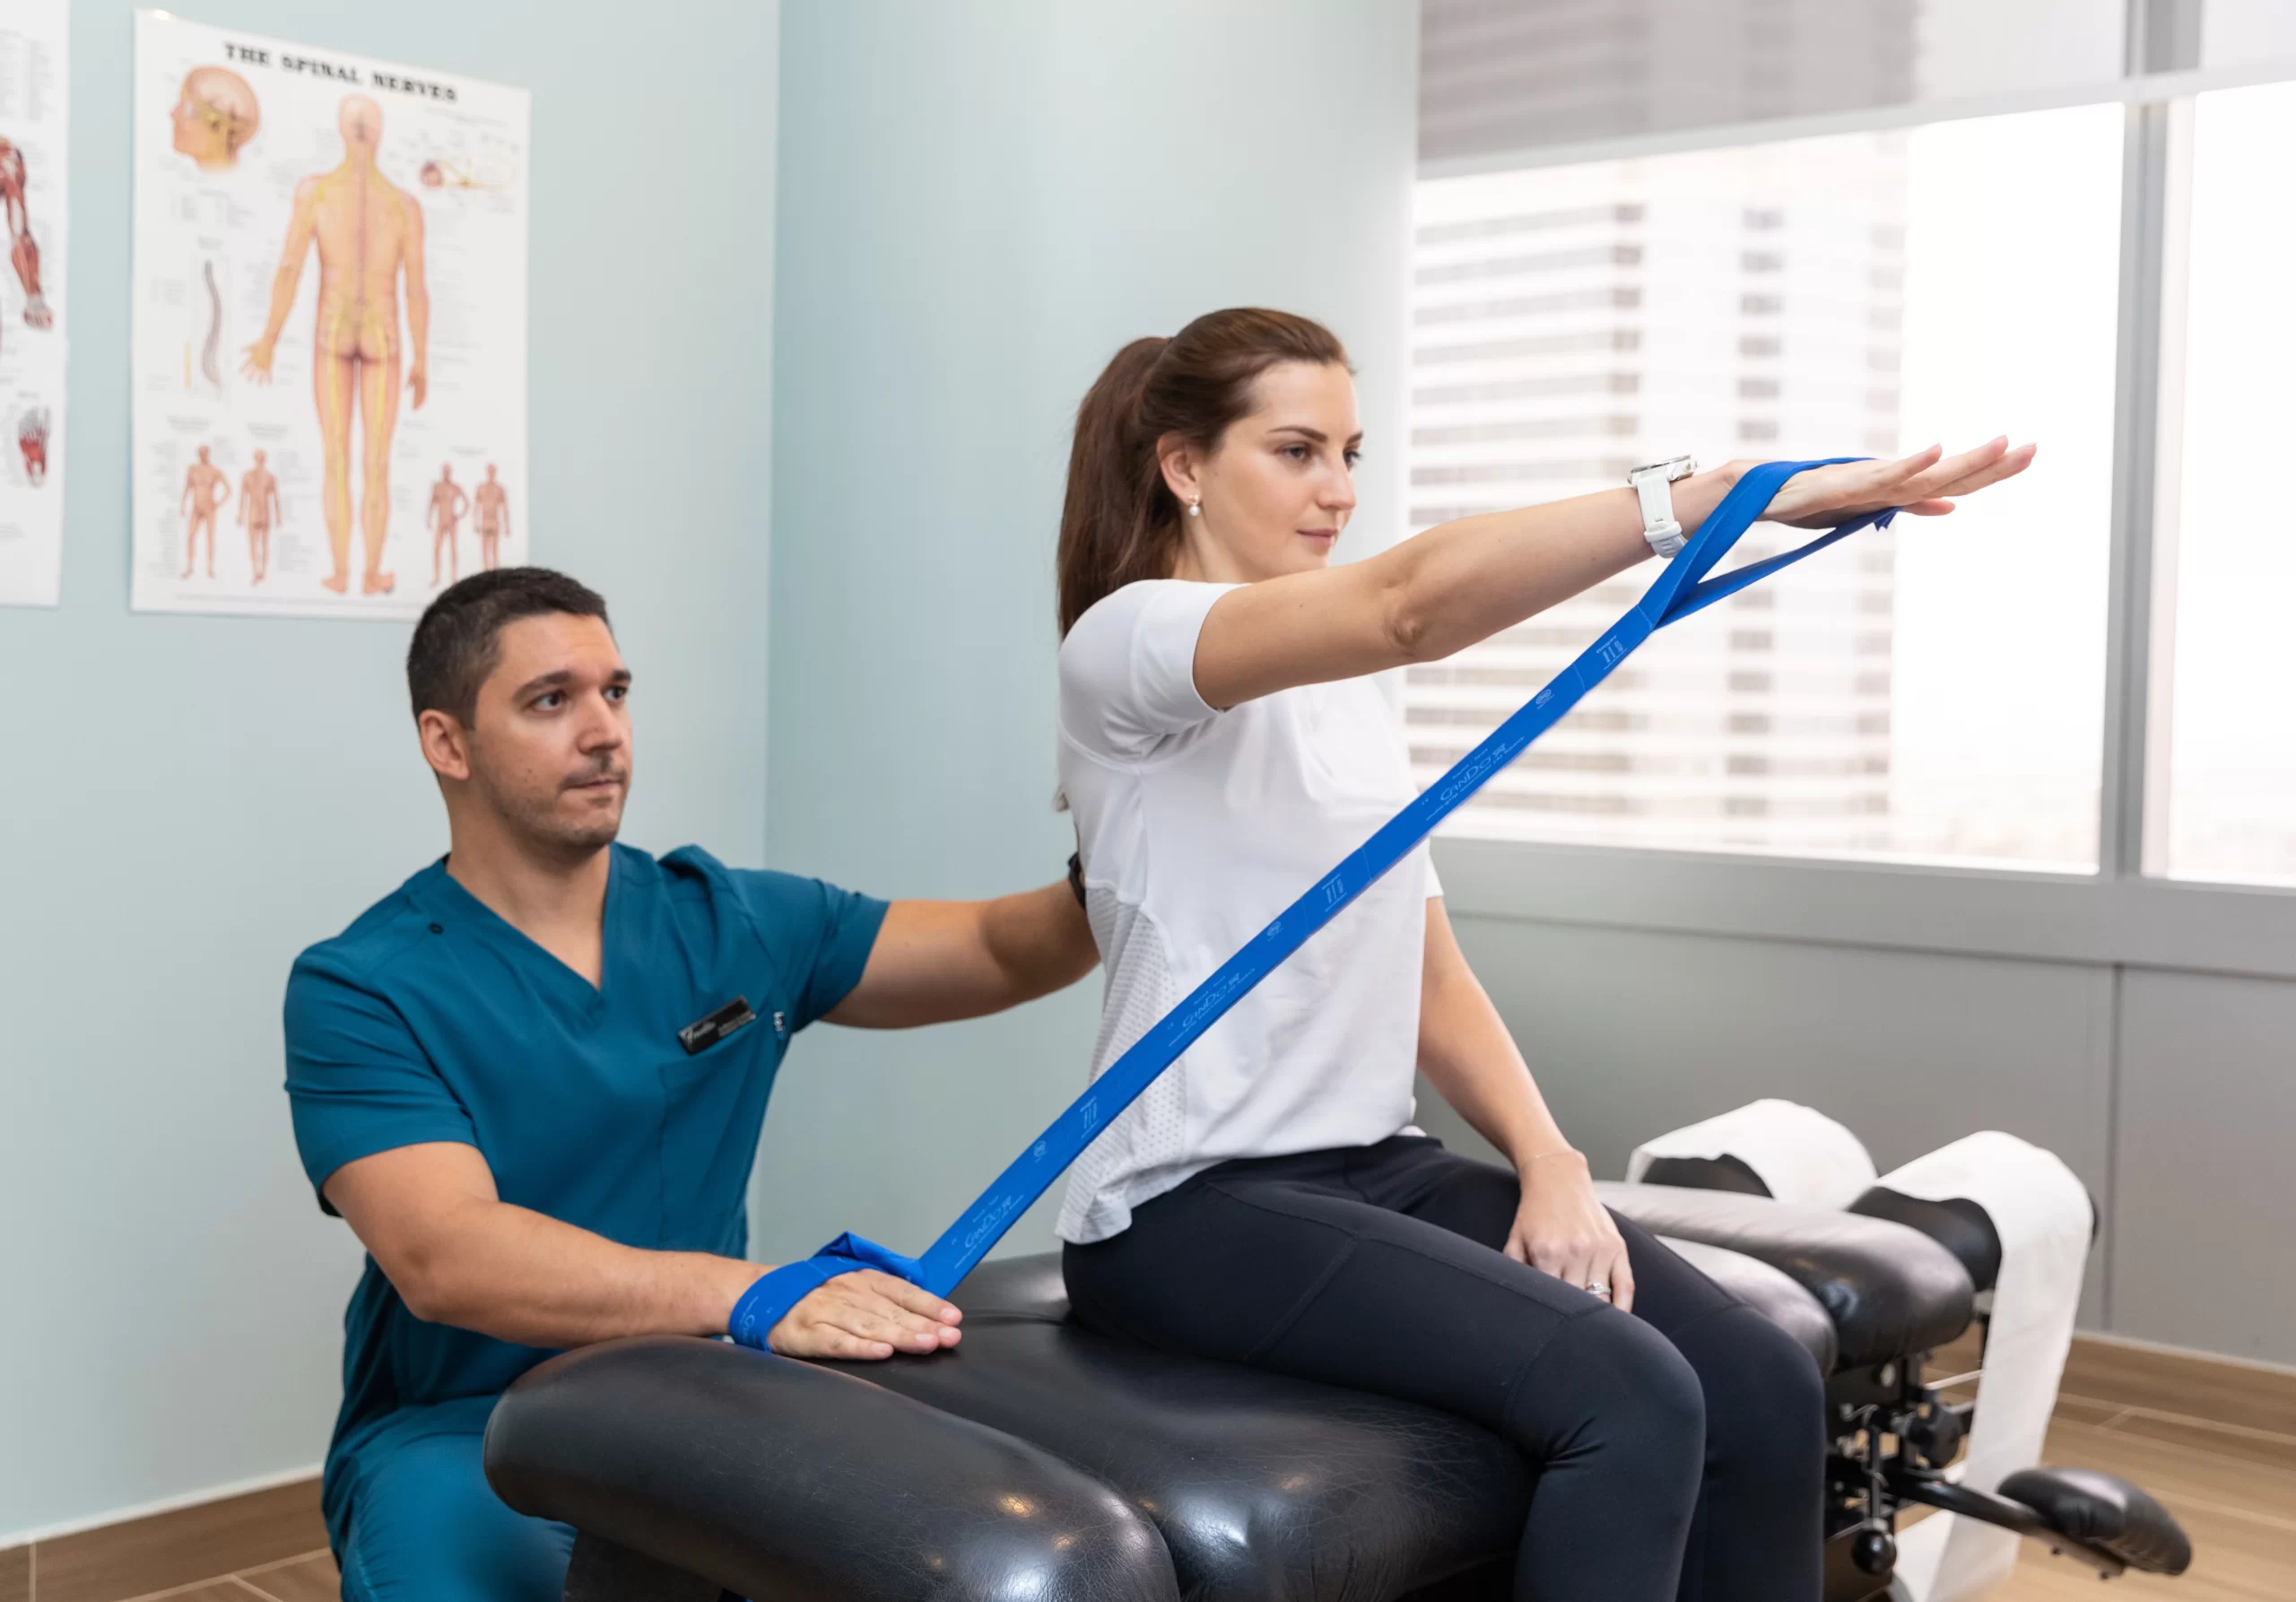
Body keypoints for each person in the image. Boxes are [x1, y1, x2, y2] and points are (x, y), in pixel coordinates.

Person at [1049, 309, 2032, 1602]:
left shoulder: (1345, 702)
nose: (1338, 488)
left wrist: (1550, 1159)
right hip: (1186, 1204)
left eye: (1350, 449)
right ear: (1183, 465)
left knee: (1758, 1378)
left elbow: (1427, 968)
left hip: (1366, 1167)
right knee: (1627, 1394)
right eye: (1295, 451)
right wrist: (1721, 492)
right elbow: (1407, 604)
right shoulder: (1132, 642)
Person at [285, 567, 1099, 1602]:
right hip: (461, 1428)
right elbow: (449, 1257)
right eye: (551, 700)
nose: (603, 731)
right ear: (448, 742)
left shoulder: (731, 922)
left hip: (699, 1392)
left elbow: (995, 945)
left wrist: (1120, 849)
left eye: (614, 693)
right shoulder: (362, 984)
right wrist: (753, 1292)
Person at [244, 95, 427, 597]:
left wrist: (269, 340)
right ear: (379, 133)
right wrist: (423, 357)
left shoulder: (318, 193)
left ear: (342, 132)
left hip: (333, 332)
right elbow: (415, 289)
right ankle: (367, 574)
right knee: (374, 461)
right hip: (383, 338)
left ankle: (345, 572)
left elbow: (290, 268)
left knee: (337, 458)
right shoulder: (402, 206)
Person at [179, 445, 230, 579]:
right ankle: (190, 567)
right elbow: (187, 487)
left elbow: (228, 489)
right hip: (196, 507)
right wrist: (183, 504)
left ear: (208, 454)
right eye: (201, 453)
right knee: (190, 536)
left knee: (210, 538)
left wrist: (218, 503)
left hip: (209, 508)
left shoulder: (214, 471)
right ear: (198, 454)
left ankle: (210, 568)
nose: (203, 455)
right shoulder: (193, 469)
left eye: (205, 453)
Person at [239, 448, 282, 585]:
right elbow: (243, 497)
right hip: (253, 513)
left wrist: (278, 516)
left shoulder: (270, 477)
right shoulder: (247, 475)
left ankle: (262, 571)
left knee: (264, 544)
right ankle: (255, 571)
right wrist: (241, 514)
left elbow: (276, 498)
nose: (260, 459)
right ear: (255, 458)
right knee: (253, 544)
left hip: (264, 513)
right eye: (259, 456)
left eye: (262, 457)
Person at [428, 463, 469, 587]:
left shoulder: (455, 487)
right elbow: (432, 503)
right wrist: (428, 519)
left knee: (453, 549)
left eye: (448, 471)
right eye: (444, 471)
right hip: (441, 522)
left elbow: (467, 503)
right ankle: (436, 578)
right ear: (442, 472)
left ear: (450, 472)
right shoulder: (437, 486)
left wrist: (459, 516)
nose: (446, 473)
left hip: (451, 522)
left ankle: (453, 577)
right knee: (436, 549)